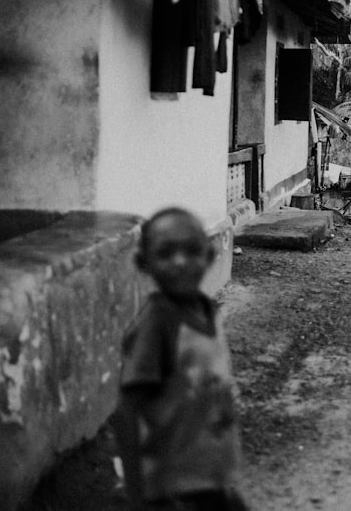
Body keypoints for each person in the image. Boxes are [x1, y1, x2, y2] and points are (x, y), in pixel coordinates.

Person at [114, 207, 246, 510]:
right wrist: (137, 495)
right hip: (172, 488)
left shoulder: (206, 311)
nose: (180, 262)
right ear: (143, 263)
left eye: (191, 251)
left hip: (210, 477)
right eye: (165, 253)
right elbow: (125, 411)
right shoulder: (157, 323)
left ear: (210, 255)